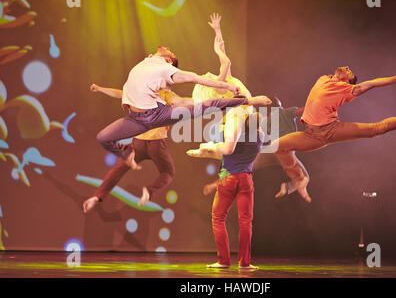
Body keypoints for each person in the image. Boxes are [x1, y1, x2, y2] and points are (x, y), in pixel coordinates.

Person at [273, 67, 396, 203]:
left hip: (330, 130)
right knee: (278, 147)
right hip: (310, 135)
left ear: (348, 80)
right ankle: (299, 180)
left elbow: (374, 83)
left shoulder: (348, 89)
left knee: (377, 129)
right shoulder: (323, 78)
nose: (347, 68)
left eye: (350, 71)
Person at [95, 45, 271, 171]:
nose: (167, 48)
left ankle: (248, 101)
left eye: (170, 53)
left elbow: (196, 79)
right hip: (135, 119)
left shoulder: (166, 69)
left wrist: (227, 87)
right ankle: (127, 154)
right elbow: (123, 92)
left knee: (208, 106)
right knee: (103, 137)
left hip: (157, 115)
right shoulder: (147, 62)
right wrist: (101, 89)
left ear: (168, 60)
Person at [83, 85, 191, 213]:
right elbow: (183, 101)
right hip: (156, 144)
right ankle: (149, 191)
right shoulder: (166, 94)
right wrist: (207, 102)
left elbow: (120, 93)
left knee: (118, 169)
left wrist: (101, 89)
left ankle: (97, 196)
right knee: (168, 172)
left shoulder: (141, 92)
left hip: (138, 143)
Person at [187, 106, 264, 270]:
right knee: (245, 222)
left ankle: (223, 260)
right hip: (246, 180)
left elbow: (220, 148)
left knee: (218, 218)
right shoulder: (259, 138)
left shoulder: (232, 136)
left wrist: (203, 150)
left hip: (228, 179)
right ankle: (245, 263)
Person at [203, 96, 310, 199]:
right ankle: (286, 188)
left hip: (269, 151)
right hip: (286, 154)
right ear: (279, 106)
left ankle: (215, 185)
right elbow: (302, 110)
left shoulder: (265, 120)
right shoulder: (287, 113)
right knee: (305, 177)